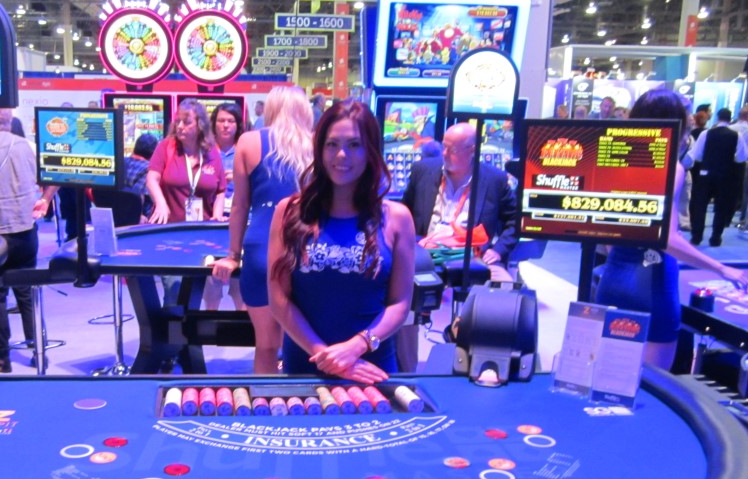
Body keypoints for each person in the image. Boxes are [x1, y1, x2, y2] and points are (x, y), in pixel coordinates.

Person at [595, 88, 748, 370]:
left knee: (612, 377)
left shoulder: (615, 161)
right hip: (652, 284)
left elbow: (608, 236)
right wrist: (720, 268)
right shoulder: (670, 167)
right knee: (652, 383)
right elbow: (665, 238)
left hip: (614, 277)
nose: (690, 120)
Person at [267, 99, 415, 382]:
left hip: (371, 370)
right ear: (320, 149)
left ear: (371, 150)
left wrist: (357, 346)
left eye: (354, 145)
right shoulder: (289, 212)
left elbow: (400, 303)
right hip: (307, 368)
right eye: (332, 144)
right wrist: (328, 358)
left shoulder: (398, 218)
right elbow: (279, 299)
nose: (341, 155)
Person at [395, 120, 519, 372]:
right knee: (401, 293)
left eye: (452, 149)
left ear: (472, 151)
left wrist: (499, 250)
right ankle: (407, 371)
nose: (444, 153)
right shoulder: (423, 170)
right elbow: (403, 212)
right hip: (425, 253)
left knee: (505, 288)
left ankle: (482, 361)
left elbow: (514, 221)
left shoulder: (494, 179)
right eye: (444, 146)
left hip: (474, 254)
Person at [212, 88, 313, 370]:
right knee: (308, 345)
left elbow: (239, 206)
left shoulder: (248, 141)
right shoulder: (319, 144)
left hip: (261, 251)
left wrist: (233, 255)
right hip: (308, 250)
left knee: (266, 345)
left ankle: (265, 397)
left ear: (270, 109)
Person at [0, 108, 57, 373]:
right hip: (25, 229)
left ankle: (2, 358)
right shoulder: (29, 146)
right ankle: (37, 350)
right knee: (27, 292)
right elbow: (54, 176)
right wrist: (45, 199)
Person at [146, 98, 225, 224]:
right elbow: (151, 179)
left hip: (202, 229)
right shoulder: (166, 146)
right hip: (168, 226)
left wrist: (217, 215)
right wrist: (160, 203)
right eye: (178, 121)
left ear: (200, 126)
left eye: (187, 122)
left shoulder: (212, 152)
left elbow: (220, 191)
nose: (180, 126)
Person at [687, 107, 748, 246]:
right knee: (721, 207)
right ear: (730, 119)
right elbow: (742, 157)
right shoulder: (736, 135)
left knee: (700, 206)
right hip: (726, 175)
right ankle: (716, 237)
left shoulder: (706, 133)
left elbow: (697, 155)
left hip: (706, 174)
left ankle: (696, 236)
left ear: (717, 118)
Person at [204, 102, 245, 310]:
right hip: (213, 218)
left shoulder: (246, 149)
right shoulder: (206, 150)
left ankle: (245, 326)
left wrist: (238, 178)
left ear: (238, 124)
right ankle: (208, 322)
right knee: (211, 277)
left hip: (241, 218)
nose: (226, 125)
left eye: (231, 121)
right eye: (221, 120)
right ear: (214, 123)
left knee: (240, 280)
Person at [122, 133, 158, 218]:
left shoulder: (121, 162)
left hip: (116, 214)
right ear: (154, 153)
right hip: (138, 219)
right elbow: (138, 196)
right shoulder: (149, 169)